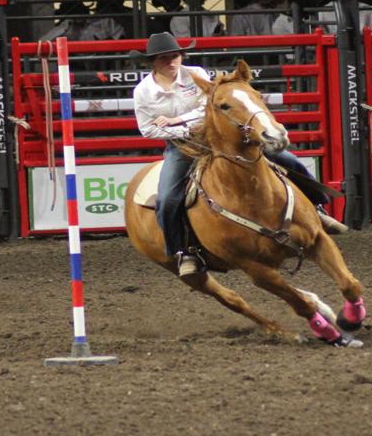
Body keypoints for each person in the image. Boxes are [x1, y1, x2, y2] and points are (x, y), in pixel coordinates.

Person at [132, 33, 344, 278]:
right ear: (153, 62)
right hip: (182, 146)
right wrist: (182, 130)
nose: (171, 61)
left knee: (288, 160)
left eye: (175, 55)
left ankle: (316, 209)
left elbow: (210, 106)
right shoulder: (143, 91)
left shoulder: (196, 74)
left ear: (181, 56)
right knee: (168, 197)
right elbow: (147, 128)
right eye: (164, 58)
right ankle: (181, 251)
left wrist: (177, 120)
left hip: (217, 137)